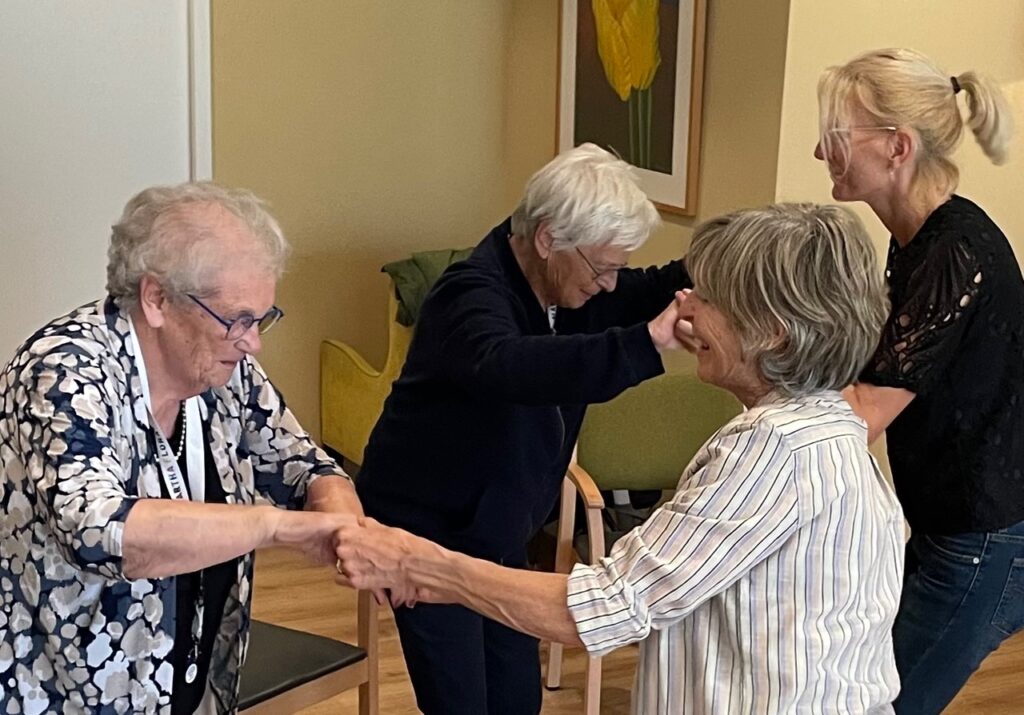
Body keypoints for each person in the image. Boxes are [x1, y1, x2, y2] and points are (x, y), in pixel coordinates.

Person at [338, 203, 906, 714]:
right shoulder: (834, 429)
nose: (685, 305)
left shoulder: (774, 451)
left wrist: (422, 565)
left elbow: (605, 606)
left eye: (708, 298)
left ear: (773, 337)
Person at [0, 183, 367, 714]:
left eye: (261, 318)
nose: (253, 341)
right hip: (64, 691)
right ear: (157, 300)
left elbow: (302, 464)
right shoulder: (62, 369)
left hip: (189, 676)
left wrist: (342, 522)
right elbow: (101, 532)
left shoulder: (225, 368)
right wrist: (271, 527)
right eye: (237, 319)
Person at [353, 143, 691, 714]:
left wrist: (727, 253)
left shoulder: (569, 289)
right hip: (426, 535)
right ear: (547, 239)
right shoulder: (469, 294)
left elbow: (652, 286)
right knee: (462, 704)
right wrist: (646, 343)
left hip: (498, 535)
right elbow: (512, 366)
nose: (611, 285)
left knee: (516, 700)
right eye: (602, 268)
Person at [814, 48, 1023, 714]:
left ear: (897, 147)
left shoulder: (954, 251)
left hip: (981, 539)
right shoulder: (916, 241)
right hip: (949, 527)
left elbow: (867, 410)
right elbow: (876, 371)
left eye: (835, 136)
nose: (820, 152)